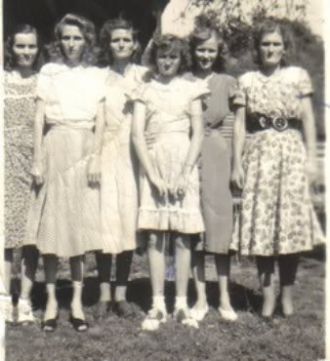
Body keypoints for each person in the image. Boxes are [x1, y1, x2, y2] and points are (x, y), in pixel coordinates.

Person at [231, 19, 324, 318]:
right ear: (257, 48)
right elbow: (239, 126)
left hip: (291, 154)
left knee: (289, 228)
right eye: (265, 44)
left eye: (276, 44)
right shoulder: (246, 80)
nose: (270, 49)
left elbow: (309, 120)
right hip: (259, 155)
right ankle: (267, 297)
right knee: (262, 228)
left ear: (285, 48)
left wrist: (312, 162)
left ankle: (287, 295)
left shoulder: (298, 76)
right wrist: (237, 163)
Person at [25, 13, 106, 332]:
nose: (72, 44)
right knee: (52, 229)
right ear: (59, 41)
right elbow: (38, 119)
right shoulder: (49, 71)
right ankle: (50, 303)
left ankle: (75, 302)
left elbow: (100, 121)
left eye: (78, 38)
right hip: (54, 145)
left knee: (77, 230)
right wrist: (37, 159)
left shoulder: (95, 75)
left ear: (87, 41)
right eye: (66, 38)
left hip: (84, 148)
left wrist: (97, 157)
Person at [132, 34, 208, 331]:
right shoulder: (144, 90)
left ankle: (181, 303)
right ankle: (157, 303)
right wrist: (152, 175)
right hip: (154, 163)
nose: (167, 62)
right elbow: (138, 134)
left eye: (173, 57)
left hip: (183, 164)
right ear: (155, 58)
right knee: (155, 236)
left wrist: (184, 172)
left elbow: (198, 133)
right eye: (163, 56)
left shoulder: (191, 89)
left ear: (181, 59)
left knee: (182, 236)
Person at [92, 17, 147, 318]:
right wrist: (95, 158)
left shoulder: (145, 76)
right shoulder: (99, 77)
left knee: (127, 223)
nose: (121, 44)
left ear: (135, 43)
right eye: (116, 40)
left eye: (126, 39)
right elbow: (97, 122)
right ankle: (103, 294)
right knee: (104, 223)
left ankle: (122, 294)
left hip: (134, 155)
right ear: (108, 44)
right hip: (108, 151)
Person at [188, 13, 237, 322]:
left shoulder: (228, 82)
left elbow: (235, 125)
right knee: (194, 228)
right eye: (200, 50)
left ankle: (225, 297)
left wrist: (235, 163)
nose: (205, 56)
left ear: (219, 53)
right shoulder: (184, 82)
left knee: (219, 228)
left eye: (211, 50)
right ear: (192, 50)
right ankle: (200, 298)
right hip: (191, 154)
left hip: (219, 155)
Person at [3, 24, 42, 324]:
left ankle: (26, 300)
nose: (26, 52)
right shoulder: (3, 80)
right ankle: (5, 298)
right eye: (20, 46)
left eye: (31, 46)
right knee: (5, 235)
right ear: (11, 47)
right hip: (6, 161)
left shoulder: (43, 82)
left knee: (31, 236)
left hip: (36, 162)